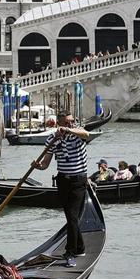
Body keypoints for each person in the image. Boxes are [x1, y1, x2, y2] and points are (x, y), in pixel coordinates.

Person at [32, 110, 89, 266]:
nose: (70, 123)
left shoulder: (77, 134)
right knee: (71, 218)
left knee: (72, 217)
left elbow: (86, 134)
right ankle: (80, 247)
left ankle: (70, 252)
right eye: (67, 122)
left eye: (72, 121)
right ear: (59, 123)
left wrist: (69, 130)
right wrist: (37, 166)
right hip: (63, 181)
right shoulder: (52, 139)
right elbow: (45, 164)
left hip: (79, 181)